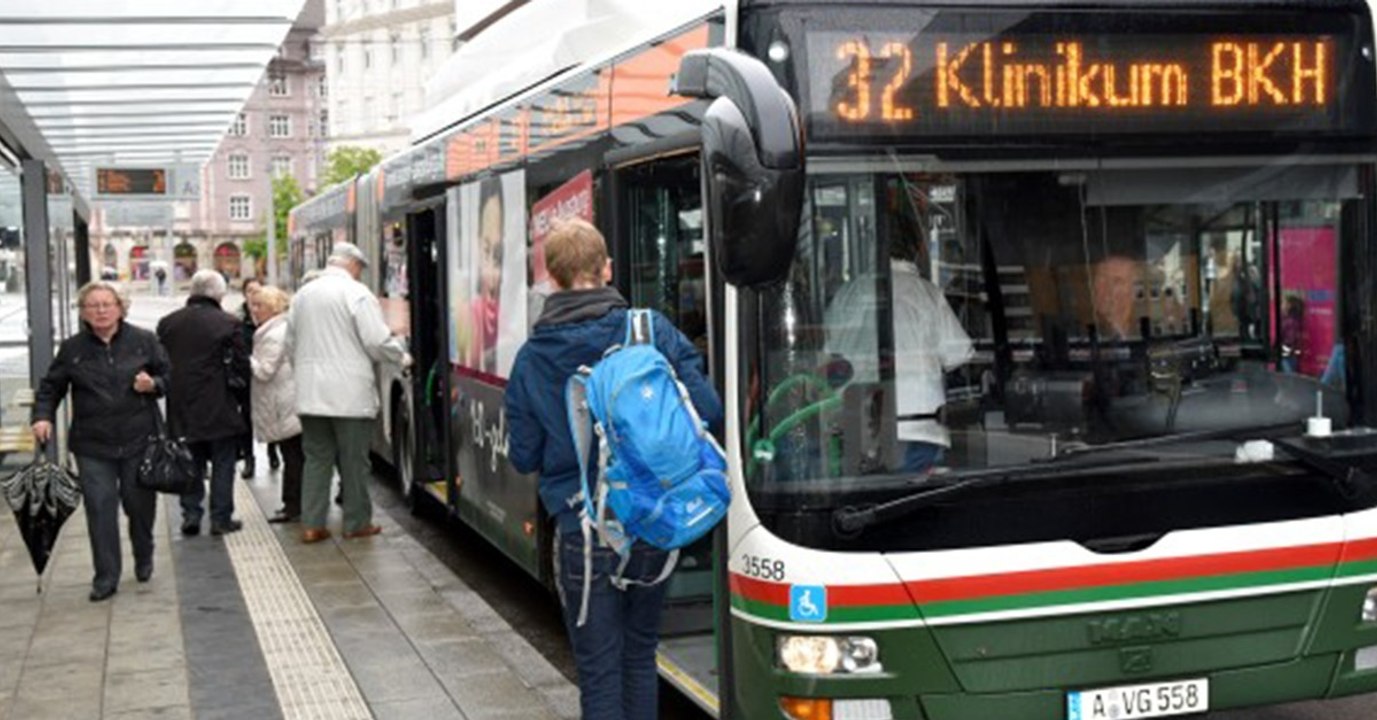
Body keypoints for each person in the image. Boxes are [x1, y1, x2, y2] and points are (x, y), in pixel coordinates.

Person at [504, 219, 722, 720]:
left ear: (552, 279)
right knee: (639, 653)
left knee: (600, 670)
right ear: (606, 268)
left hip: (583, 531)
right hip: (653, 520)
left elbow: (524, 457)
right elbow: (707, 410)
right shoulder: (650, 331)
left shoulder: (532, 357)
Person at [31, 281, 170, 601]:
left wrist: (154, 384)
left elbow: (169, 376)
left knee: (139, 507)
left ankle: (144, 553)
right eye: (93, 305)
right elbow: (51, 388)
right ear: (83, 312)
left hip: (138, 440)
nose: (101, 310)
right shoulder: (72, 349)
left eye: (107, 304)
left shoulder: (144, 341)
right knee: (100, 508)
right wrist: (42, 416)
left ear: (121, 307)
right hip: (93, 444)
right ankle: (106, 577)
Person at [286, 242, 407, 543]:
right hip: (349, 397)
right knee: (354, 461)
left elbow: (290, 343)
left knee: (316, 458)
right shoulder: (357, 294)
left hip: (310, 395)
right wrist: (402, 356)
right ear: (353, 265)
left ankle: (312, 524)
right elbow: (376, 341)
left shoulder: (302, 295)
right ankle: (356, 522)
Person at [825, 236, 973, 473]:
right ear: (916, 251)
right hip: (918, 424)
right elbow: (959, 353)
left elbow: (829, 355)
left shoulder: (848, 293)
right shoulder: (927, 293)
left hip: (860, 423)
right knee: (914, 499)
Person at [157, 270, 250, 537]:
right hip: (219, 404)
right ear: (219, 293)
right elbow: (242, 366)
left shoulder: (168, 323)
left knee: (190, 461)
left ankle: (191, 515)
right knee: (223, 462)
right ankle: (221, 519)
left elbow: (160, 362)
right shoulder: (228, 323)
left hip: (181, 405)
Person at [248, 286, 305, 523]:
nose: (254, 310)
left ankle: (293, 505)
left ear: (272, 308)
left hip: (285, 403)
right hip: (285, 400)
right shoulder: (275, 329)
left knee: (292, 456)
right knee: (294, 455)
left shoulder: (275, 333)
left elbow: (265, 371)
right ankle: (296, 503)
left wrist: (246, 359)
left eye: (259, 305)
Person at [238, 277, 264, 479]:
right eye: (250, 290)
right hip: (247, 377)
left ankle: (273, 452)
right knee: (246, 418)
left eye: (257, 290)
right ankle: (249, 458)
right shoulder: (238, 319)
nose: (254, 294)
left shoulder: (269, 314)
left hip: (267, 375)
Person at [1280, 294, 1305, 374]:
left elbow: (1286, 336)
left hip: (1286, 349)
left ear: (1289, 305)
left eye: (1284, 303)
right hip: (1292, 349)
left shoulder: (1288, 321)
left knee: (1288, 370)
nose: (1282, 305)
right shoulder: (1294, 319)